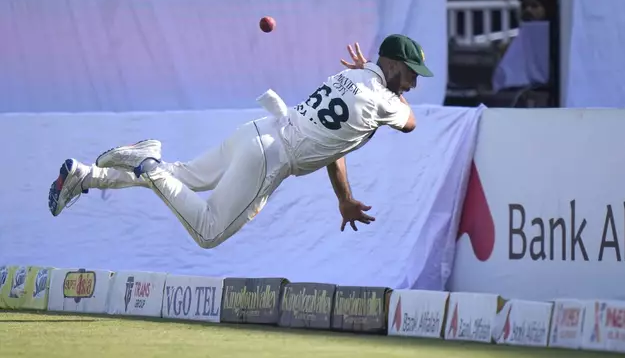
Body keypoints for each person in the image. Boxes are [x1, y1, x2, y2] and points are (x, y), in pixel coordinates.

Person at [48, 34, 432, 249]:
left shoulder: (344, 77)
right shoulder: (385, 101)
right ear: (393, 65)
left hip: (258, 130)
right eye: (412, 73)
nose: (414, 83)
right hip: (269, 158)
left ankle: (86, 176)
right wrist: (388, 87)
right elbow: (411, 123)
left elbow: (335, 148)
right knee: (208, 232)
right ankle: (147, 163)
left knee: (185, 178)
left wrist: (344, 199)